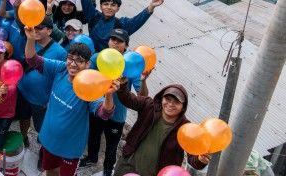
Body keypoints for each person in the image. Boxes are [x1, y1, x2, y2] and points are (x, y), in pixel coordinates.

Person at [24, 27, 118, 176]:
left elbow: (104, 113)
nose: (73, 64)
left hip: (70, 149)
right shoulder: (60, 69)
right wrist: (30, 39)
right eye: (70, 58)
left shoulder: (89, 85)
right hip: (48, 138)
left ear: (87, 64)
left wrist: (108, 95)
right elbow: (32, 59)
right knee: (49, 172)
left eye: (79, 61)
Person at [82, 29, 150, 175]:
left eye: (119, 41)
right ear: (108, 41)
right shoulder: (97, 58)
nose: (115, 43)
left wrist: (143, 81)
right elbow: (86, 78)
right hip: (98, 108)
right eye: (113, 39)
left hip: (117, 115)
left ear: (125, 46)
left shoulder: (131, 64)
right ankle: (91, 158)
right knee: (93, 136)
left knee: (112, 145)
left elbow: (142, 96)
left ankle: (107, 169)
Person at [113, 83, 210, 176]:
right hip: (127, 167)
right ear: (161, 98)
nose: (170, 104)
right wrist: (123, 84)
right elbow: (128, 99)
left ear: (183, 106)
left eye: (176, 102)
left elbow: (193, 159)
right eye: (167, 99)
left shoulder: (186, 128)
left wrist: (200, 160)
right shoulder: (149, 106)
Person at [77, 0, 165, 52]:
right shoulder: (94, 17)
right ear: (100, 6)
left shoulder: (122, 24)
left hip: (111, 63)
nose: (109, 7)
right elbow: (86, 2)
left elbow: (138, 20)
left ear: (118, 8)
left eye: (113, 5)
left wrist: (152, 6)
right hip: (91, 61)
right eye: (106, 4)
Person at [15, 16, 66, 154]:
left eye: (39, 28)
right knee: (24, 117)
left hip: (41, 99)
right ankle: (23, 136)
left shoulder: (60, 52)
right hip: (23, 91)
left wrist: (52, 100)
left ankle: (43, 153)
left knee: (41, 128)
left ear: (49, 31)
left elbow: (61, 77)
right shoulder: (29, 40)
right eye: (34, 27)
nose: (35, 30)